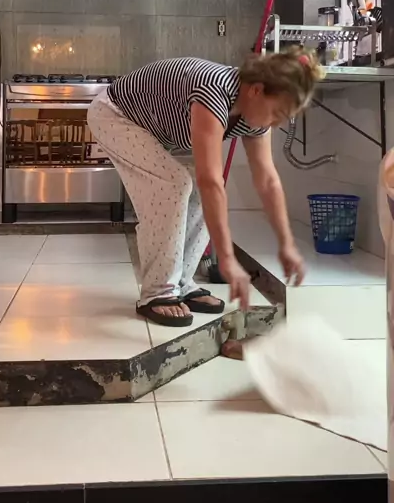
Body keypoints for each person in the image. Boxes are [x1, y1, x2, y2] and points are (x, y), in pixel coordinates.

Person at [87, 47, 324, 327]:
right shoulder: (213, 92)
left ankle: (180, 283)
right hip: (114, 114)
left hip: (152, 128)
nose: (276, 123)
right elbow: (208, 179)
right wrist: (227, 259)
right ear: (256, 90)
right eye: (277, 113)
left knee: (199, 189)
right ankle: (158, 292)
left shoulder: (255, 115)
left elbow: (268, 181)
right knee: (174, 185)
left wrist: (287, 244)